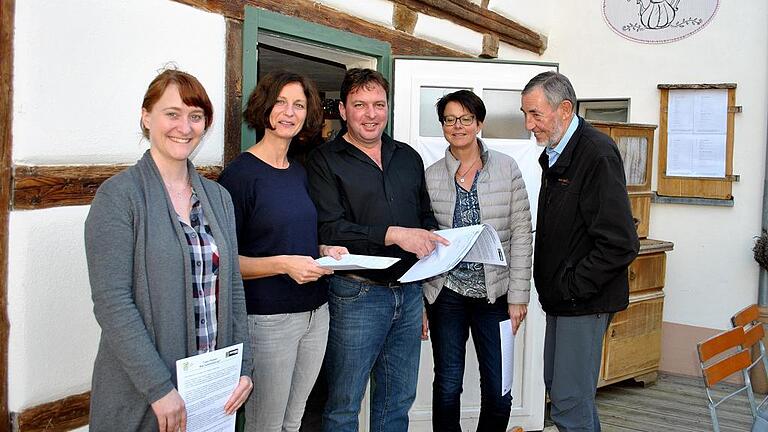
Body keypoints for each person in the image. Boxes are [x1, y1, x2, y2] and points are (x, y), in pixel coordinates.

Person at [84, 69, 253, 432]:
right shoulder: (118, 197)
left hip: (210, 393)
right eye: (172, 113)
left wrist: (243, 367)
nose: (185, 127)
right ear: (147, 117)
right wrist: (159, 389)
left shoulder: (219, 199)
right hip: (145, 396)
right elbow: (113, 304)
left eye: (195, 116)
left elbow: (234, 289)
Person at [305, 68, 448, 432]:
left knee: (397, 401)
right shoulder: (324, 161)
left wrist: (434, 241)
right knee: (343, 404)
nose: (371, 114)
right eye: (360, 105)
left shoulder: (408, 157)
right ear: (343, 109)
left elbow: (425, 216)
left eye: (378, 105)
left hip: (410, 291)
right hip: (356, 295)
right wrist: (394, 234)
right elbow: (331, 228)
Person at [218, 71, 347, 432]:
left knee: (294, 421)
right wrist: (282, 265)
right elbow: (226, 262)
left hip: (315, 314)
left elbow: (294, 235)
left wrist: (323, 249)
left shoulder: (299, 172)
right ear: (264, 107)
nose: (289, 112)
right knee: (267, 425)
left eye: (299, 105)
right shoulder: (240, 176)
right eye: (281, 102)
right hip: (269, 321)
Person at [520, 71, 640, 432]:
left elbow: (620, 243)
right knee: (563, 392)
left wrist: (571, 286)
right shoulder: (557, 153)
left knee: (570, 402)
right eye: (525, 114)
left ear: (565, 109)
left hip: (582, 302)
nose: (529, 125)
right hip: (562, 300)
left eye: (536, 114)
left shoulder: (595, 153)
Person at [423, 90, 533, 432]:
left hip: (496, 297)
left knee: (499, 391)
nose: (458, 126)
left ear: (479, 123)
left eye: (466, 118)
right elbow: (424, 243)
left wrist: (518, 296)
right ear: (442, 125)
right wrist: (423, 301)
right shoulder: (430, 175)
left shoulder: (506, 168)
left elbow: (522, 233)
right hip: (447, 295)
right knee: (447, 386)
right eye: (450, 119)